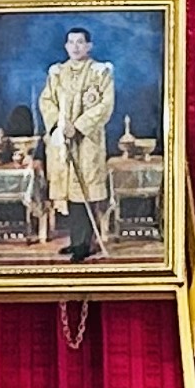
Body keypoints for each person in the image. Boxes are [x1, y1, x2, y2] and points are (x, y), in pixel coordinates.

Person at [38, 25, 116, 260]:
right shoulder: (57, 73)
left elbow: (105, 105)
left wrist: (78, 126)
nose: (75, 47)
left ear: (89, 46)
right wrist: (59, 125)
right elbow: (46, 100)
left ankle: (85, 243)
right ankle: (76, 240)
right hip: (63, 141)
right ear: (66, 46)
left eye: (80, 42)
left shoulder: (100, 72)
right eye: (71, 42)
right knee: (70, 194)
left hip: (87, 142)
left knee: (85, 191)